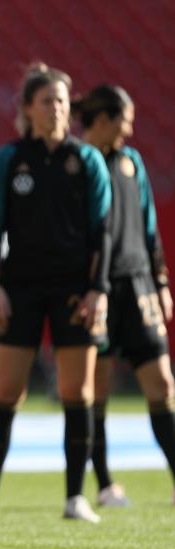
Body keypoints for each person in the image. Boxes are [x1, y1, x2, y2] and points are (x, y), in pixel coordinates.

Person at [0, 63, 112, 523]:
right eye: (47, 101)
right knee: (7, 389)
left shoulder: (86, 160)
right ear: (28, 108)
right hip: (20, 287)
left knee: (76, 390)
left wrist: (98, 290)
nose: (56, 109)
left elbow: (103, 232)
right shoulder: (10, 159)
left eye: (62, 101)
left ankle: (75, 498)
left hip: (75, 288)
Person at [75, 84, 175, 507]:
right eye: (125, 121)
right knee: (97, 388)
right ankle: (104, 483)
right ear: (103, 120)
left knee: (162, 383)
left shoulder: (132, 162)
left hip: (137, 284)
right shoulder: (77, 163)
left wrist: (161, 282)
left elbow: (149, 226)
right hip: (95, 289)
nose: (129, 130)